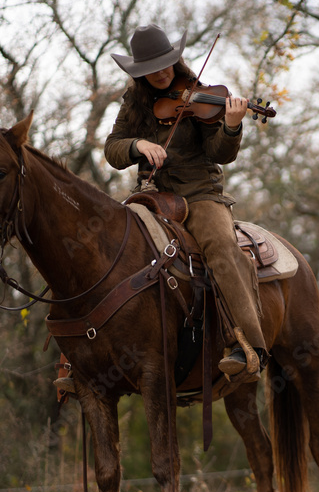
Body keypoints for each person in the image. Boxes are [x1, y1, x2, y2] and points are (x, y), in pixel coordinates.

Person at [106, 24, 266, 382]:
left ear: (175, 61)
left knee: (221, 247)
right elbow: (112, 149)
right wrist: (137, 146)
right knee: (104, 245)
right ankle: (84, 360)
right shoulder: (134, 105)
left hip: (198, 194)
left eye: (166, 63)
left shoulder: (203, 97)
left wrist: (231, 126)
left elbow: (219, 154)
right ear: (139, 72)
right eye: (152, 67)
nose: (161, 72)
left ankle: (251, 348)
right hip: (151, 198)